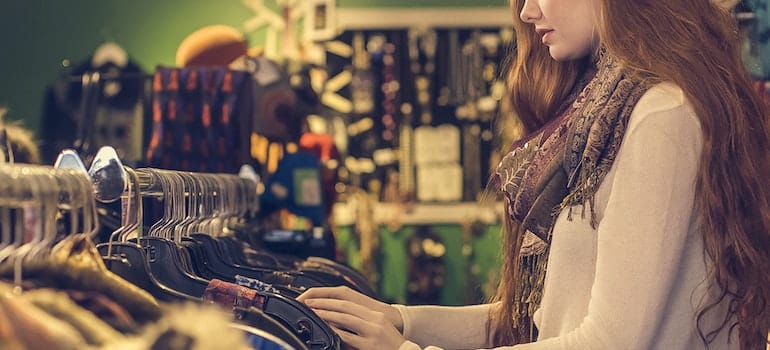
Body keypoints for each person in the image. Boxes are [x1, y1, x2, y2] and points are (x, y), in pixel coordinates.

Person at [297, 0, 770, 349]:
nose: (526, 11)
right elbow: (546, 322)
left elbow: (610, 341)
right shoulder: (601, 115)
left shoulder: (660, 113)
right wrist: (402, 321)